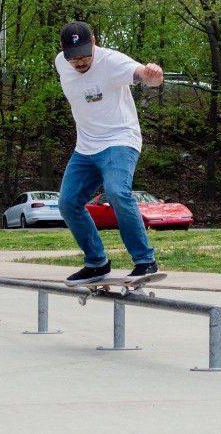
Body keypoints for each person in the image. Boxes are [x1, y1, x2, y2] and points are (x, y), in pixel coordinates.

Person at [55, 20, 164, 286]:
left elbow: (143, 75)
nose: (79, 63)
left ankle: (145, 260)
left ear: (94, 42)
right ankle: (96, 263)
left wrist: (152, 74)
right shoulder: (60, 62)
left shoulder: (112, 61)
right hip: (85, 146)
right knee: (68, 202)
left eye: (84, 56)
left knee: (116, 192)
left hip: (119, 140)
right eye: (73, 58)